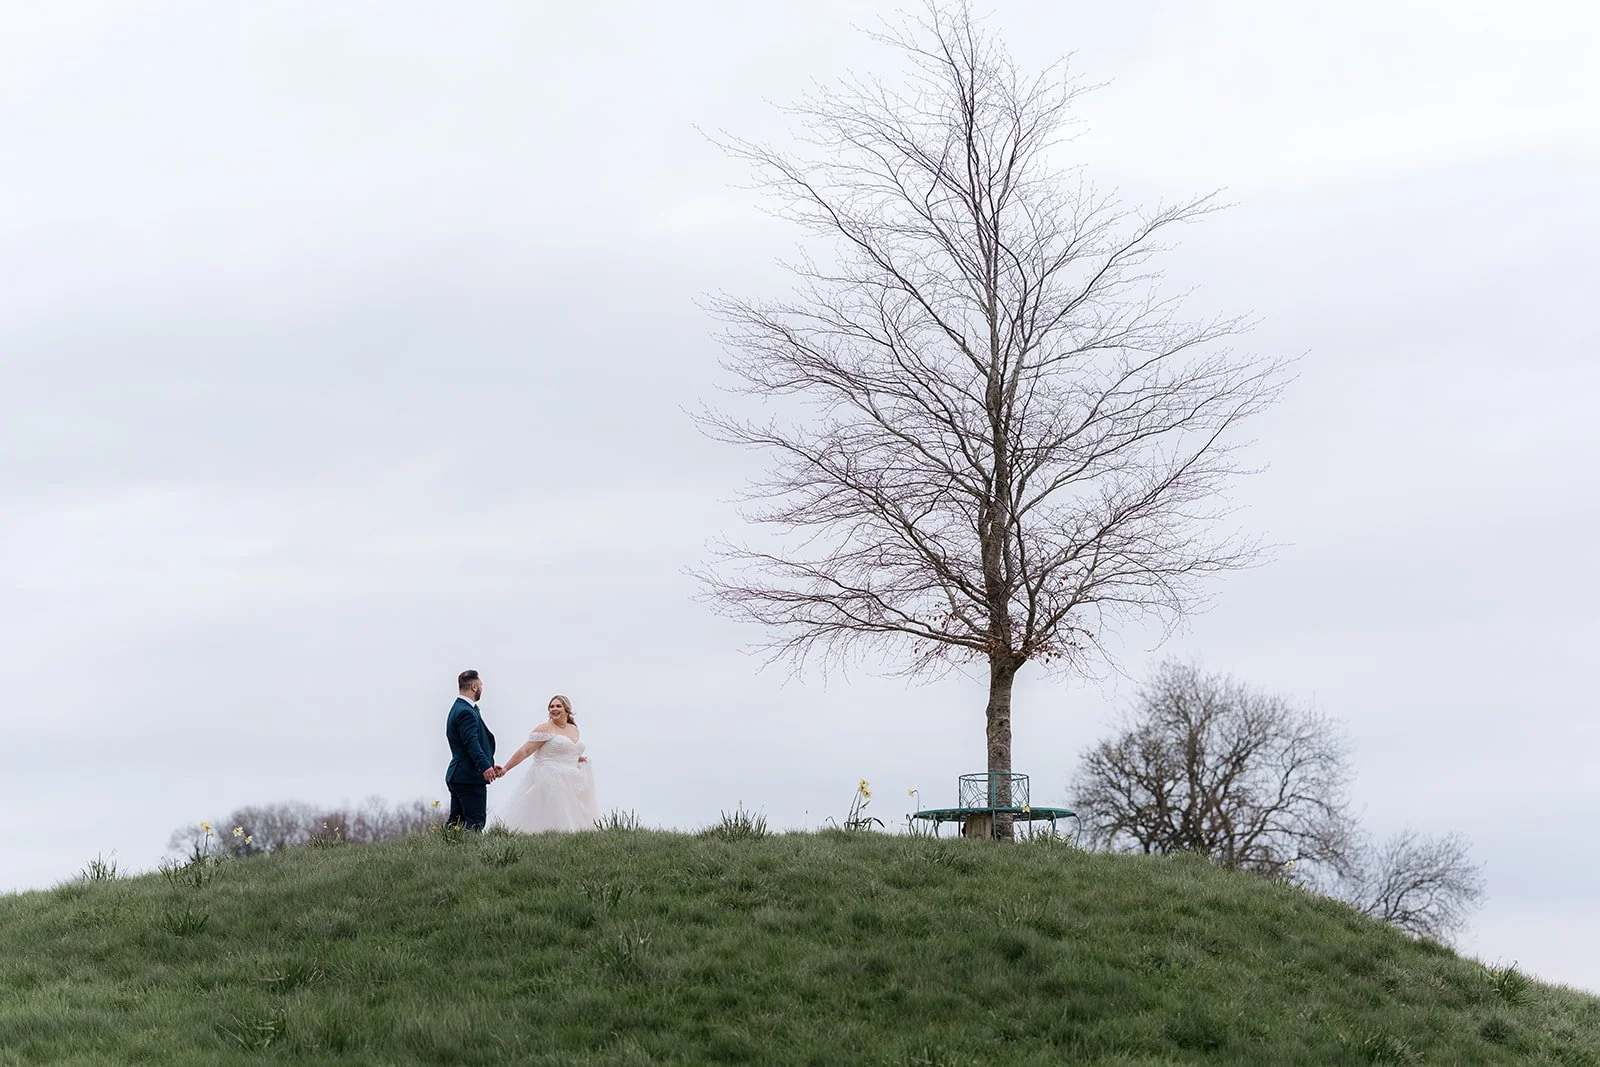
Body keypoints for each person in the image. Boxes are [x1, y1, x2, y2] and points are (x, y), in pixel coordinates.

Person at [491, 694, 599, 832]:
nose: (554, 709)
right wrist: (506, 768)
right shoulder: (544, 728)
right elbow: (525, 750)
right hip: (549, 776)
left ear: (567, 709)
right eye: (551, 706)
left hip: (572, 778)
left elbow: (567, 749)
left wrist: (577, 758)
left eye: (558, 706)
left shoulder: (573, 728)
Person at [443, 669, 502, 831]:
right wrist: (485, 766)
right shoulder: (465, 712)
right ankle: (466, 855)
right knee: (475, 824)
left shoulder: (459, 708)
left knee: (455, 824)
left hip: (459, 775)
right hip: (469, 776)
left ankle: (445, 852)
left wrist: (490, 763)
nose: (482, 688)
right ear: (474, 687)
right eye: (481, 685)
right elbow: (471, 743)